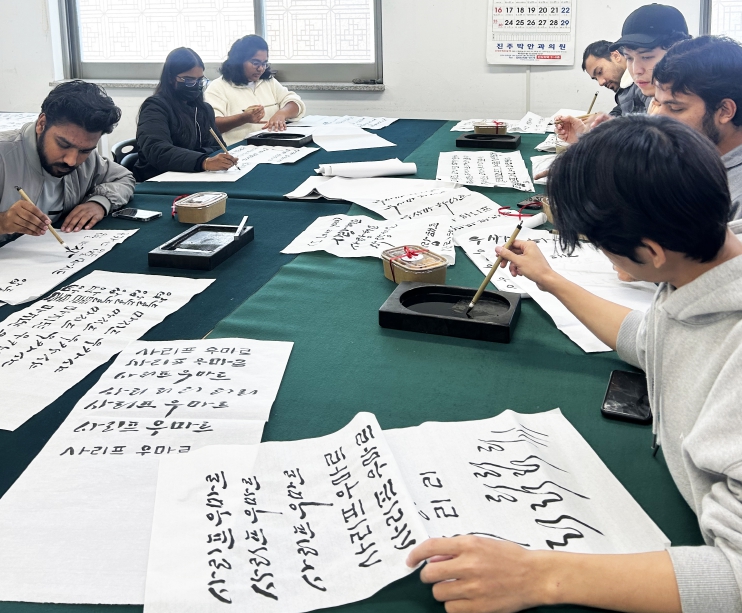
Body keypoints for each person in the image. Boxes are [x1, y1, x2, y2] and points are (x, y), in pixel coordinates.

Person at [407, 115, 742, 613]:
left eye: (601, 246)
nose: (604, 256)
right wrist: (548, 279)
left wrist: (539, 576)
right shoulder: (706, 262)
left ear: (651, 252)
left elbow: (735, 575)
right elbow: (651, 341)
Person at [0, 80, 134, 244]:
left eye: (84, 151)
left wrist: (100, 202)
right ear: (42, 124)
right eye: (63, 144)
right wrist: (3, 222)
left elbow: (124, 178)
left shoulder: (88, 158)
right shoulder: (4, 155)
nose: (71, 161)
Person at [556, 4, 690, 144]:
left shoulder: (693, 99)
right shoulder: (653, 96)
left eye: (646, 57)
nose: (636, 70)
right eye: (629, 58)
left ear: (680, 52)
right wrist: (589, 138)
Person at [653, 36, 742, 222]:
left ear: (725, 111)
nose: (657, 118)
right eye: (658, 104)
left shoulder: (736, 196)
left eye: (675, 108)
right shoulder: (695, 159)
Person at [134, 47, 237, 182]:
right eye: (189, 80)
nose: (195, 85)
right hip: (160, 179)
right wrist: (203, 161)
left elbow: (217, 147)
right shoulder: (155, 107)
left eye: (200, 80)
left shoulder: (204, 109)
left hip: (196, 175)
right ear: (170, 78)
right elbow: (157, 150)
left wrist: (213, 159)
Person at [204, 35, 305, 146]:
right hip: (241, 149)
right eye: (255, 63)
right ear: (238, 62)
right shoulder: (218, 87)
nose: (261, 69)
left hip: (276, 145)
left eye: (264, 63)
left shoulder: (268, 81)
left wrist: (282, 114)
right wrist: (243, 118)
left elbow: (294, 102)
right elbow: (212, 126)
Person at [582, 40, 647, 116]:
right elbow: (620, 108)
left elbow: (653, 120)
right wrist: (605, 120)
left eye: (600, 72)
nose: (600, 83)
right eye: (596, 79)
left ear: (616, 56)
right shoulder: (625, 88)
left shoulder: (642, 83)